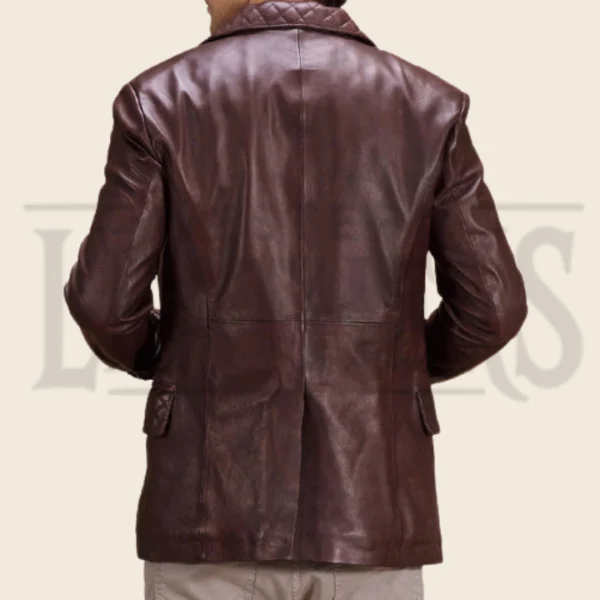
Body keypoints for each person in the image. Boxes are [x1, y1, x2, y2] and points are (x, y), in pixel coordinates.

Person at [62, 0, 528, 598]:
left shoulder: (159, 100)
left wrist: (184, 356)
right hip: (373, 511)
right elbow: (494, 306)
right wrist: (385, 368)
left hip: (207, 515)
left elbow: (103, 304)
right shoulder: (430, 105)